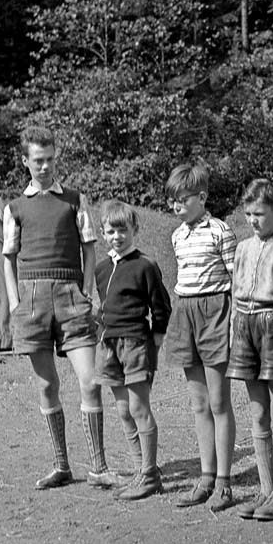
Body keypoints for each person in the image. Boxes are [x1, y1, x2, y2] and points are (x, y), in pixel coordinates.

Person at [2, 125, 117, 490]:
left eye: (50, 159)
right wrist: (16, 304)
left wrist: (86, 291)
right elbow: (9, 258)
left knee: (91, 380)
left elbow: (89, 248)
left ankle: (99, 467)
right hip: (32, 303)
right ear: (25, 161)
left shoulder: (73, 199)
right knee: (47, 385)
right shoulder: (15, 207)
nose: (46, 166)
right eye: (38, 161)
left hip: (70, 297)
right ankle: (61, 465)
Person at [165, 163, 238, 511]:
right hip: (186, 312)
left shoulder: (221, 231)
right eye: (172, 201)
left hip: (215, 312)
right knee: (198, 404)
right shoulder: (177, 235)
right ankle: (206, 476)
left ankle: (224, 482)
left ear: (202, 197)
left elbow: (236, 279)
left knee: (219, 401)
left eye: (183, 199)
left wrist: (234, 319)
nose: (177, 206)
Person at [94, 200, 172, 500]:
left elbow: (161, 308)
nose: (117, 236)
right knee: (124, 410)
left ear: (134, 230)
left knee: (140, 408)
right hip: (109, 346)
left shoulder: (146, 265)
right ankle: (141, 469)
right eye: (111, 231)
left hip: (136, 343)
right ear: (103, 233)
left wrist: (155, 341)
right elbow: (103, 307)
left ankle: (150, 476)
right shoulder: (102, 269)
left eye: (123, 230)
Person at [228, 179, 273, 521]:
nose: (254, 220)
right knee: (257, 412)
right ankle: (265, 488)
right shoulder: (242, 248)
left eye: (261, 214)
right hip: (244, 324)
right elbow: (233, 292)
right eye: (249, 214)